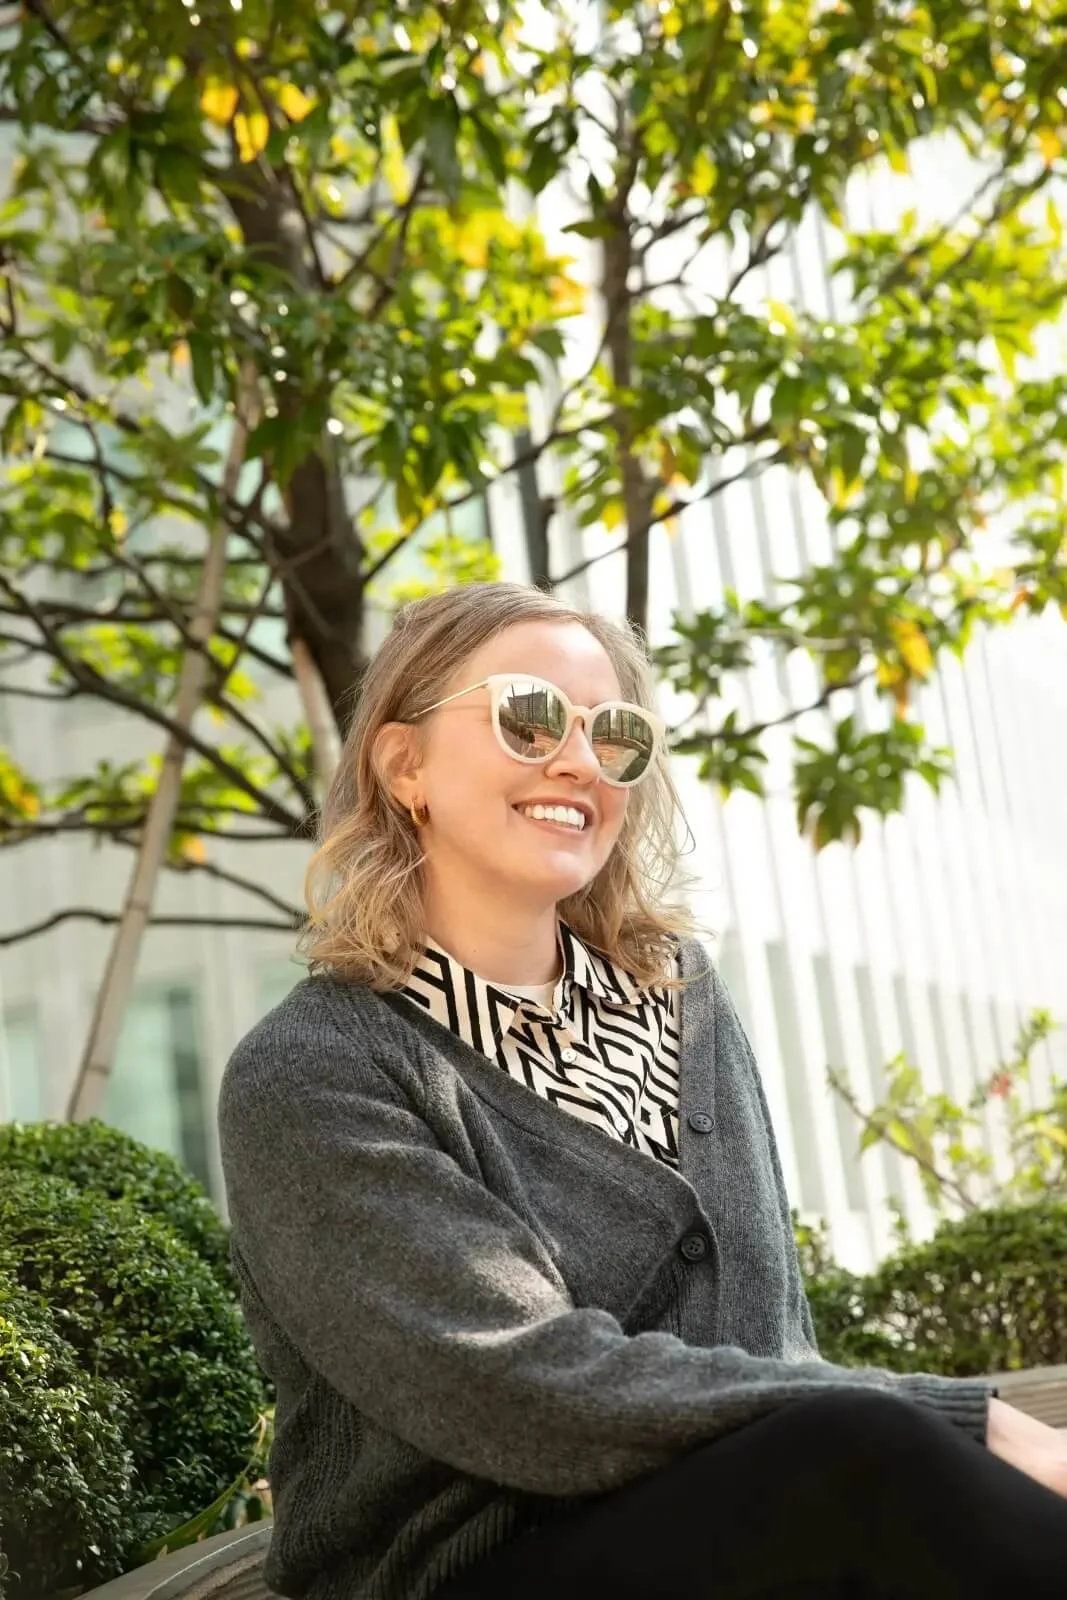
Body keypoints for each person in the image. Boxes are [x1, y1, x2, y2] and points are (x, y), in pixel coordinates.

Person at [218, 581, 1067, 1600]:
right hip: (461, 1570)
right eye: (526, 719)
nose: (577, 759)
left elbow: (767, 1335)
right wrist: (954, 1418)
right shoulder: (315, 1069)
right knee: (861, 1453)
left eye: (613, 732)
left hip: (748, 1524)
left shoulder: (678, 993)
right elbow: (518, 1388)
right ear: (405, 765)